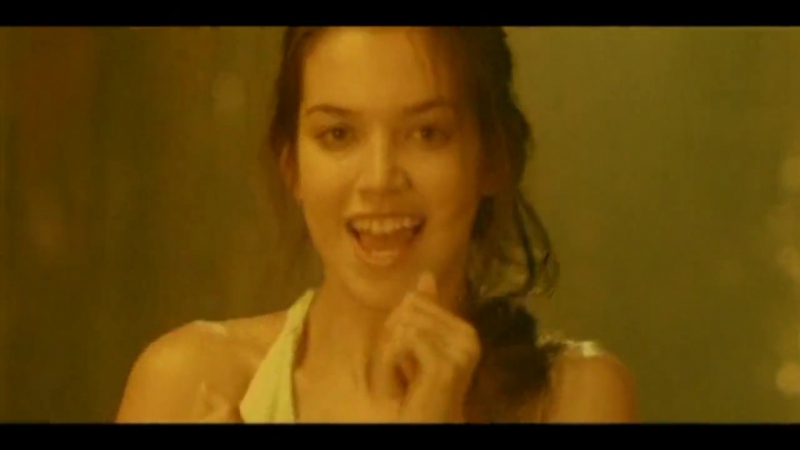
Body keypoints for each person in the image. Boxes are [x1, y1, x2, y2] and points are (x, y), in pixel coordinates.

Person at [115, 26, 638, 423]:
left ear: (494, 156)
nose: (380, 179)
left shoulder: (573, 399)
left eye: (427, 133)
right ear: (291, 165)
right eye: (339, 134)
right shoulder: (188, 383)